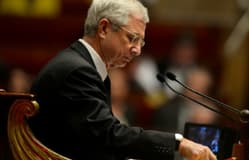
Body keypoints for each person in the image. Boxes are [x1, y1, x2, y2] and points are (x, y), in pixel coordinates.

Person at [28, 0, 216, 160]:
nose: (137, 50)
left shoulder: (83, 65)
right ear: (103, 28)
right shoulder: (79, 70)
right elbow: (107, 136)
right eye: (132, 38)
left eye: (140, 42)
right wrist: (177, 142)